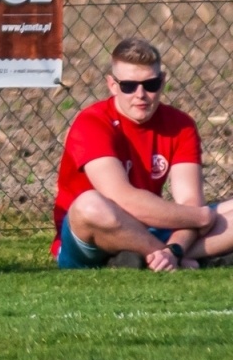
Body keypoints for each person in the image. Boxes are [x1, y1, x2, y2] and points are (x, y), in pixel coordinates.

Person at [53, 37, 233, 269]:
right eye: (128, 86)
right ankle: (183, 256)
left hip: (150, 224)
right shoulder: (92, 122)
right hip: (93, 231)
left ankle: (155, 258)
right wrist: (202, 218)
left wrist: (177, 246)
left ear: (162, 81)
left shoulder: (181, 124)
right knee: (90, 205)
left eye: (150, 85)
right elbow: (122, 199)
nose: (140, 94)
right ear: (112, 85)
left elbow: (190, 202)